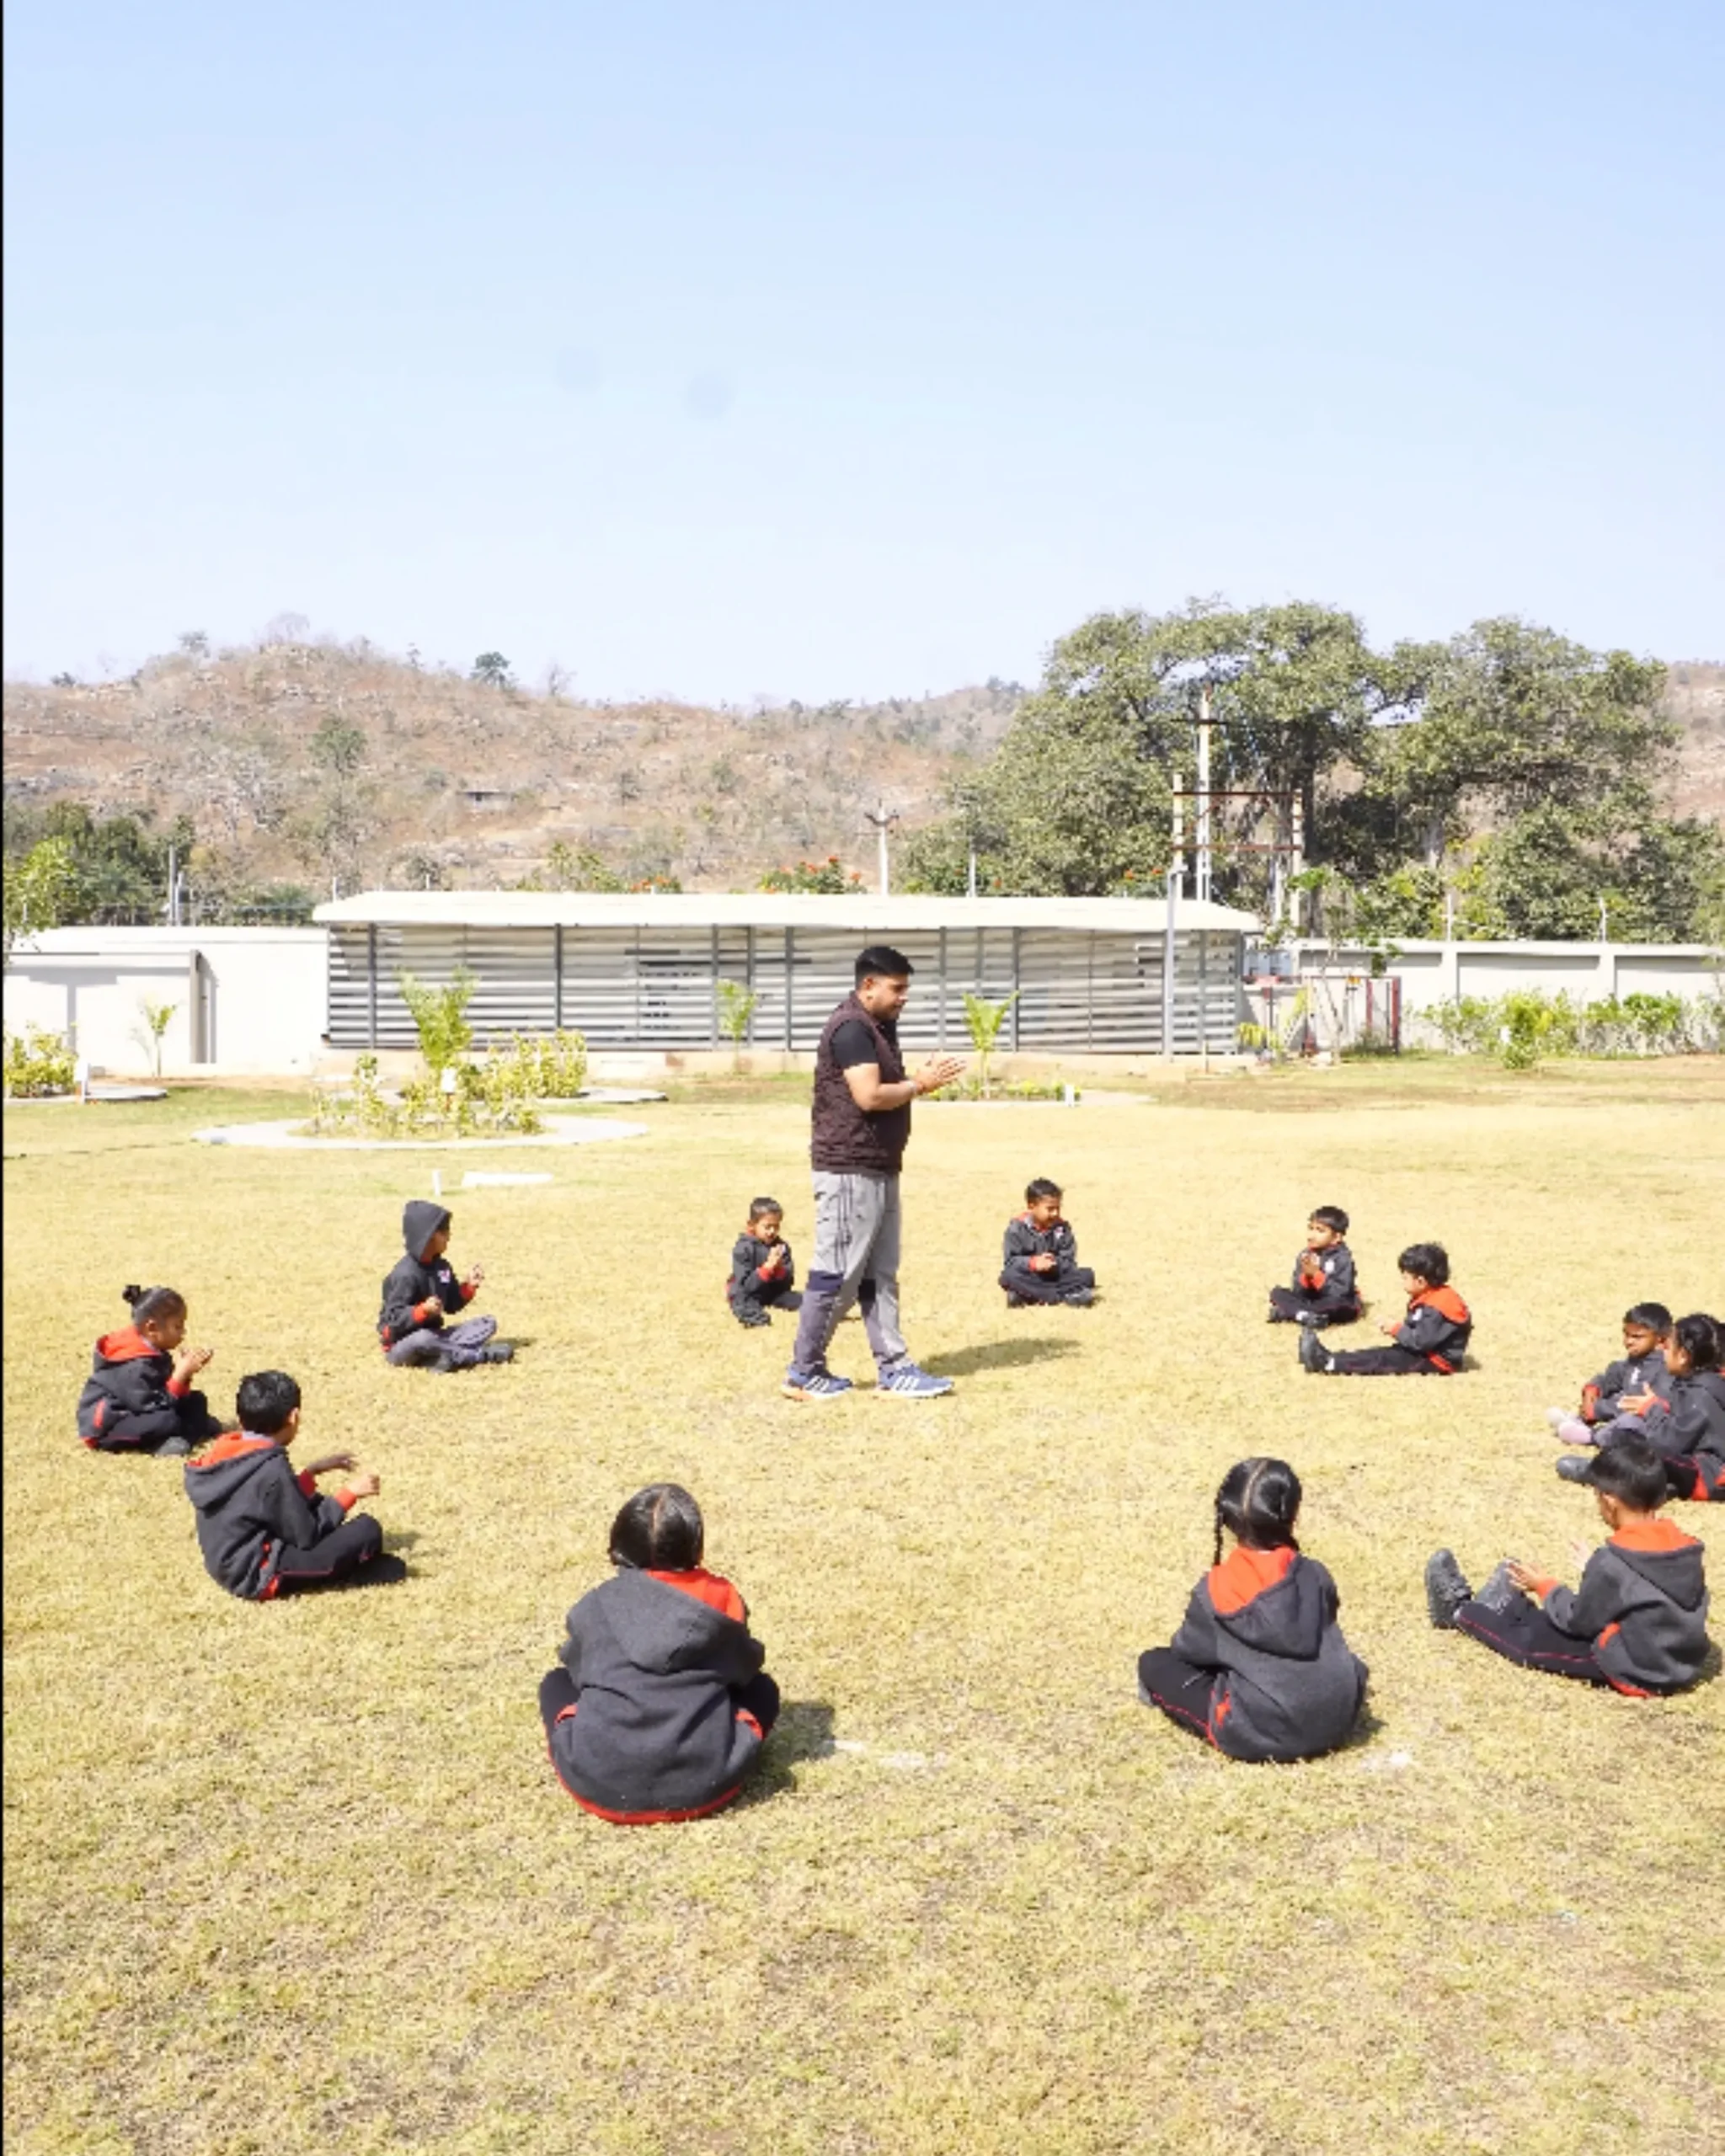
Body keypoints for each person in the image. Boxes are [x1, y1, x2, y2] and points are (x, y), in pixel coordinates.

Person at [782, 946, 967, 1402]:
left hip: (880, 1165)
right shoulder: (851, 1029)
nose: (904, 997)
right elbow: (869, 1096)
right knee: (838, 1271)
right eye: (897, 988)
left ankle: (895, 1368)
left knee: (879, 1273)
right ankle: (804, 1371)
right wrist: (921, 1083)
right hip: (849, 1168)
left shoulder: (879, 1027)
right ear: (868, 985)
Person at [538, 1483, 780, 1824]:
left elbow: (578, 1673)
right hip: (705, 1784)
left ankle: (595, 1745)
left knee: (555, 1682)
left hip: (597, 1782)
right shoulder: (722, 1599)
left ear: (620, 1542)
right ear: (695, 1543)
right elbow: (744, 1672)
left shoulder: (595, 1605)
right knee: (763, 1690)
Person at [1425, 1441, 1710, 1695]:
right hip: (1676, 1659)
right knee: (1549, 1621)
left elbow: (1580, 1622)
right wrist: (1596, 1571)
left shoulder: (1613, 1561)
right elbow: (1646, 1589)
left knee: (1532, 1644)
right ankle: (1507, 1604)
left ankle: (1459, 1612)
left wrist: (1545, 1586)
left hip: (1637, 1669)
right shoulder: (1686, 1547)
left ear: (1609, 1502)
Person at [1136, 1457, 1368, 1762]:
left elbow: (1187, 1651)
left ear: (1227, 1518)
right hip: (1340, 1718)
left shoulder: (1217, 1589)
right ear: (1292, 1515)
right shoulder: (1315, 1573)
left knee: (1154, 1663)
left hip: (1265, 1732)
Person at [183, 1370, 399, 1599]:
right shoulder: (271, 1467)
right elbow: (306, 1535)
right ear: (294, 1416)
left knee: (323, 1509)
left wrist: (311, 1473)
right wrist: (350, 1494)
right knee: (367, 1529)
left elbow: (261, 1500)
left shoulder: (226, 1449)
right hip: (256, 1573)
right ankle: (349, 1569)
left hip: (227, 1562)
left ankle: (355, 1566)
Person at [1555, 1312, 1725, 1500]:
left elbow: (1668, 1443)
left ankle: (1603, 1474)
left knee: (1645, 1452)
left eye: (1667, 1348)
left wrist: (1651, 1409)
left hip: (1708, 1475)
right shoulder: (1702, 1382)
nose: (1662, 1353)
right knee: (1629, 1436)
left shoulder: (1699, 1395)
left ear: (1683, 1356)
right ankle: (1659, 1484)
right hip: (1697, 1464)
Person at [77, 1285, 228, 1456]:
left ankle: (190, 1428)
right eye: (178, 1327)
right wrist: (180, 1375)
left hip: (146, 1408)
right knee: (166, 1420)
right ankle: (177, 1438)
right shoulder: (133, 1365)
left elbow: (166, 1392)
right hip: (110, 1425)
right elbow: (151, 1406)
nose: (183, 1332)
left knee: (197, 1400)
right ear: (152, 1328)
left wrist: (185, 1374)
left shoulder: (152, 1350)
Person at [378, 1199, 513, 1370]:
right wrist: (422, 1311)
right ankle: (478, 1355)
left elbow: (451, 1304)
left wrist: (469, 1286)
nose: (448, 1237)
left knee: (487, 1323)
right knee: (423, 1338)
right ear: (427, 1237)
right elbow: (391, 1325)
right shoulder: (405, 1275)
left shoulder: (442, 1267)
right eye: (444, 1232)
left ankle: (440, 1358)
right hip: (403, 1345)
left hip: (436, 1336)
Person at [1300, 1242, 1470, 1375]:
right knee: (1380, 1355)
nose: (1402, 1281)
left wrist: (1395, 1329)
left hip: (1435, 1360)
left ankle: (1328, 1362)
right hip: (1428, 1354)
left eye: (1405, 1277)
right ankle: (1330, 1357)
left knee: (1382, 1359)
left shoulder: (1436, 1306)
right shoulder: (1437, 1296)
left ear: (1420, 1281)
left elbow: (1420, 1342)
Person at [1545, 1303, 1671, 1440]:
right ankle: (1579, 1421)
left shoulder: (1663, 1367)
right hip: (1620, 1411)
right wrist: (1594, 1389)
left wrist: (1597, 1410)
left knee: (1629, 1422)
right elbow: (1614, 1375)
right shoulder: (1637, 1358)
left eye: (1637, 1337)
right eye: (1626, 1334)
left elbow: (1634, 1400)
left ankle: (1591, 1436)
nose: (1628, 1341)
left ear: (1661, 1339)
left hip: (1644, 1420)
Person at [1000, 1178, 1096, 1307]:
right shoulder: (1016, 1229)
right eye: (1050, 1209)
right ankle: (1065, 1296)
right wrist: (1033, 1263)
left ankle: (1026, 1296)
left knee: (1087, 1275)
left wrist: (1054, 1263)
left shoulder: (1062, 1229)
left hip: (1055, 1277)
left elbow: (1069, 1262)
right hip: (1029, 1276)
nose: (1055, 1213)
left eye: (1058, 1208)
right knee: (1008, 1276)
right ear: (1031, 1206)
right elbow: (1011, 1262)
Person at [1266, 1205, 1361, 1329]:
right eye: (1311, 1229)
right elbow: (1298, 1291)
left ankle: (1291, 1312)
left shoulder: (1342, 1258)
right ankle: (1304, 1316)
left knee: (1339, 1305)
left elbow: (1340, 1293)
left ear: (1336, 1238)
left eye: (1320, 1231)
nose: (1312, 1235)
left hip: (1336, 1303)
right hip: (1313, 1301)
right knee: (1277, 1293)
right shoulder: (1306, 1254)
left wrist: (1316, 1276)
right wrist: (1306, 1277)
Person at [727, 1198, 799, 1328]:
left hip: (772, 1293)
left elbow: (787, 1285)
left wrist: (779, 1270)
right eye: (767, 1227)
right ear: (751, 1225)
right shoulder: (743, 1248)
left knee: (806, 1300)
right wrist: (766, 1269)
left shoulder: (781, 1247)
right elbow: (746, 1286)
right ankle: (758, 1319)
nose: (772, 1231)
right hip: (748, 1293)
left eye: (776, 1226)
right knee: (742, 1302)